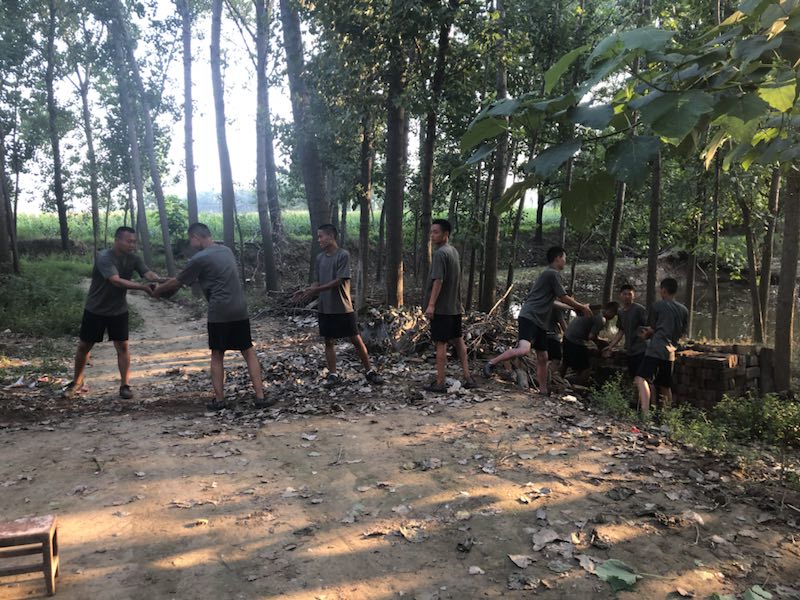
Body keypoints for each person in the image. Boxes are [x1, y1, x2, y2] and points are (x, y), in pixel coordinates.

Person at [154, 223, 269, 410]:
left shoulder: (199, 258)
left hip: (220, 310)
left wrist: (157, 290)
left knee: (217, 353)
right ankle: (260, 397)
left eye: (190, 240)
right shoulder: (226, 251)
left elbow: (177, 282)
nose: (191, 244)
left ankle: (220, 400)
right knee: (248, 350)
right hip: (240, 307)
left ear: (195, 237)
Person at [62, 226, 162, 400]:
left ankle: (125, 385)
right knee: (84, 346)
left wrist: (164, 280)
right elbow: (115, 281)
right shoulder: (104, 257)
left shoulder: (134, 258)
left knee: (122, 346)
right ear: (117, 240)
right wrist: (143, 288)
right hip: (96, 309)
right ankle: (77, 381)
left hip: (119, 310)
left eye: (134, 242)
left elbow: (148, 274)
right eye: (129, 241)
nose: (132, 245)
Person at [483, 246, 592, 395]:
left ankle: (543, 390)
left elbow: (555, 302)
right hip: (530, 316)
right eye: (564, 258)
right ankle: (492, 362)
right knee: (524, 349)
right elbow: (563, 297)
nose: (565, 261)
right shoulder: (552, 274)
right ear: (557, 258)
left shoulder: (548, 275)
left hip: (540, 321)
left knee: (543, 356)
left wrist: (574, 307)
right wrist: (581, 307)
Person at [293, 224, 383, 388]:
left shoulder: (343, 255)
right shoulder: (319, 258)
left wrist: (316, 290)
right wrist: (307, 290)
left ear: (331, 236)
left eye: (321, 236)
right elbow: (318, 281)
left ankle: (369, 371)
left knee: (355, 339)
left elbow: (339, 281)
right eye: (318, 236)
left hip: (342, 307)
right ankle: (333, 375)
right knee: (329, 341)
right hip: (325, 307)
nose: (318, 240)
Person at [423, 219, 476, 393]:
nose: (432, 235)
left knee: (441, 343)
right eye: (431, 232)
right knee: (458, 340)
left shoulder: (440, 254)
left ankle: (440, 382)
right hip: (454, 307)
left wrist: (431, 305)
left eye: (436, 232)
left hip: (443, 308)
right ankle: (467, 376)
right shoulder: (453, 251)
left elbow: (438, 280)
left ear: (446, 234)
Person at [634, 277, 688, 416]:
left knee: (641, 378)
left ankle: (645, 412)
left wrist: (645, 334)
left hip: (656, 348)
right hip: (671, 351)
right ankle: (666, 416)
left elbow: (652, 328)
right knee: (665, 385)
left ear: (663, 290)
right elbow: (682, 332)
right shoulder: (683, 310)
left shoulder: (657, 306)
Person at [561, 302, 619, 385]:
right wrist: (601, 344)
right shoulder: (601, 319)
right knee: (586, 369)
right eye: (614, 315)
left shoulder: (595, 312)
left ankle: (557, 380)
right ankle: (579, 387)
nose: (613, 317)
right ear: (610, 311)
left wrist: (600, 340)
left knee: (565, 363)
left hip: (567, 336)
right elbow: (591, 336)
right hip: (575, 341)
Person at [603, 284, 648, 378]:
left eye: (630, 294)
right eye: (624, 294)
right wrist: (611, 346)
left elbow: (648, 327)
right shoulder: (621, 312)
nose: (627, 296)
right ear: (620, 295)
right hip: (630, 350)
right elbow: (621, 331)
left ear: (634, 296)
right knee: (633, 377)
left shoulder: (639, 309)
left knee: (642, 378)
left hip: (642, 349)